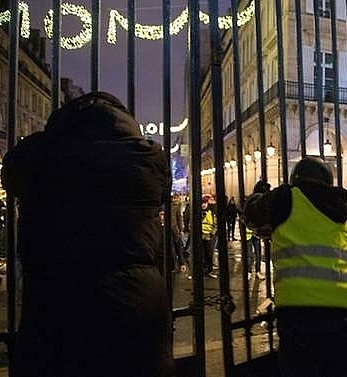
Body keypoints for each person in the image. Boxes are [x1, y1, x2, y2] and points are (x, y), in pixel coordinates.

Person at [0, 91, 174, 377]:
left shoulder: (38, 155)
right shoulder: (149, 158)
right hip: (137, 306)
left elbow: (10, 173)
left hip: (57, 306)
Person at [244, 156, 347, 377]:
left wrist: (259, 192)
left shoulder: (286, 198)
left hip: (301, 316)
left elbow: (251, 215)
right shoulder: (343, 210)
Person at [201, 195, 218, 279]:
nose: (203, 205)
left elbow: (215, 224)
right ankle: (204, 271)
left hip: (209, 236)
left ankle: (209, 270)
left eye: (205, 203)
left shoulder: (211, 212)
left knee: (209, 254)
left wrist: (212, 234)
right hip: (201, 236)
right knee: (202, 254)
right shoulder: (199, 213)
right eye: (202, 203)